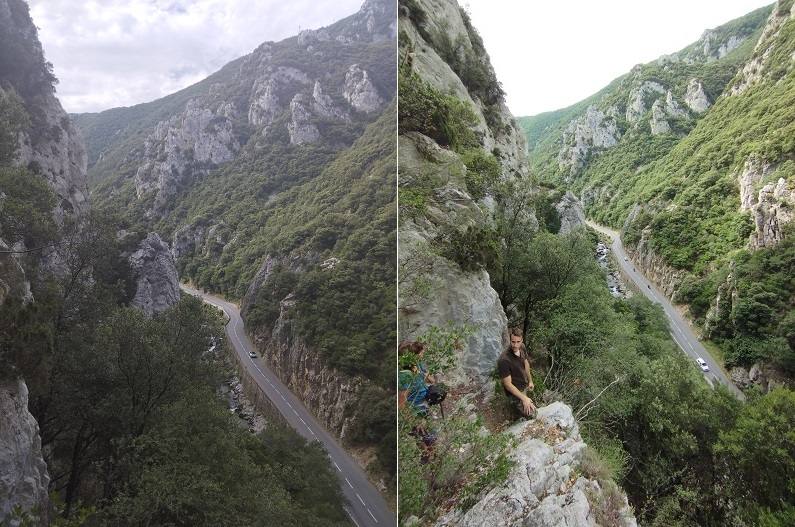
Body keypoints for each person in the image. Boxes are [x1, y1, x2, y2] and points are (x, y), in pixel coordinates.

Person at [497, 328, 536, 419]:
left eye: (518, 342)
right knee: (532, 415)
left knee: (531, 409)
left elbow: (526, 363)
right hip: (514, 394)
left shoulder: (522, 347)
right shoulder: (504, 360)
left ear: (521, 340)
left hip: (524, 386)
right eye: (513, 342)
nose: (515, 345)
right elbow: (508, 385)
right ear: (510, 340)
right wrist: (524, 398)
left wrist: (530, 381)